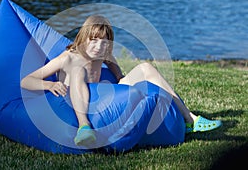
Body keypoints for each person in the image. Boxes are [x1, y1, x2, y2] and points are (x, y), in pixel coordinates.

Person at [21, 15, 222, 147]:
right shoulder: (68, 58)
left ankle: (190, 119)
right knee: (78, 71)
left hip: (102, 96)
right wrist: (49, 84)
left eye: (104, 41)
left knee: (146, 68)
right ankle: (84, 127)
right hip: (75, 102)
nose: (99, 46)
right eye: (94, 40)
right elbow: (27, 81)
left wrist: (120, 77)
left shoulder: (103, 53)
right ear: (83, 37)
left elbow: (113, 63)